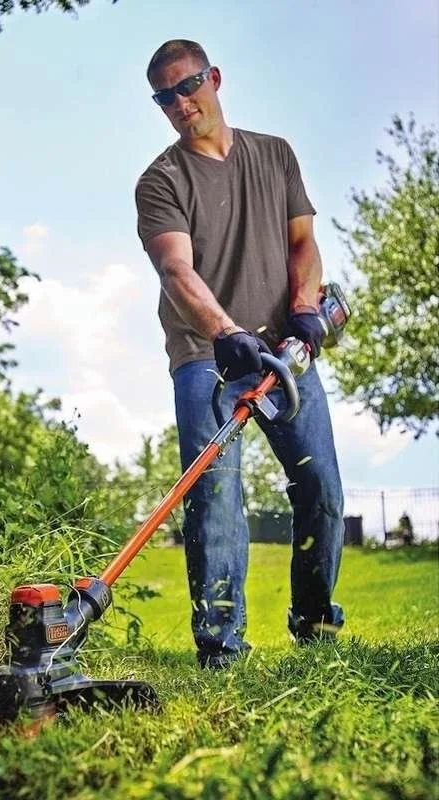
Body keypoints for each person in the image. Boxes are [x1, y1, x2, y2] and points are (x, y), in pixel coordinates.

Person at [135, 39, 345, 668]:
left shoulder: (274, 155)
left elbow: (303, 244)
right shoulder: (160, 181)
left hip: (282, 352)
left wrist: (305, 309)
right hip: (208, 353)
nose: (180, 102)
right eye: (165, 96)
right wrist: (226, 332)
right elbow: (176, 269)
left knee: (321, 488)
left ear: (215, 78)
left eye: (188, 84)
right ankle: (222, 648)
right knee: (217, 497)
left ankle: (315, 623)